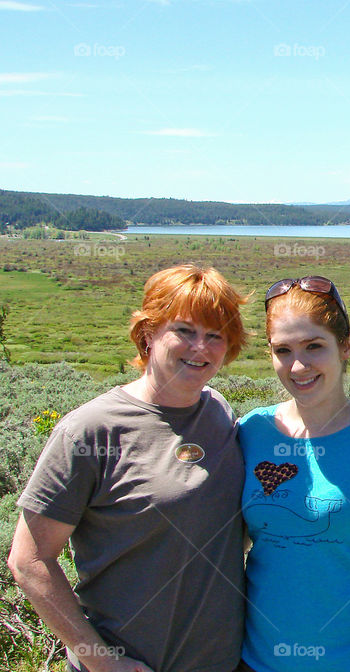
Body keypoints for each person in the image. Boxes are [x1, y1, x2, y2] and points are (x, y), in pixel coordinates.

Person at [8, 264, 250, 672]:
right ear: (147, 334)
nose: (201, 348)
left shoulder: (219, 412)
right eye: (185, 331)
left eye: (215, 336)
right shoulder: (90, 431)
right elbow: (29, 561)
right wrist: (100, 660)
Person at [237, 276, 350, 672]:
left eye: (314, 346)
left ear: (346, 346)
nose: (298, 366)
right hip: (252, 662)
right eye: (282, 350)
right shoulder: (250, 432)